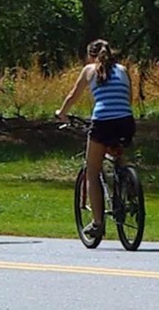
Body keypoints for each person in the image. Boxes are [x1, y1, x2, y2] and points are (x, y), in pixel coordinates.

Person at [56, 39, 136, 237]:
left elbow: (73, 96)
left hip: (102, 123)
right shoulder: (123, 70)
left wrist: (62, 113)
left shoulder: (88, 70)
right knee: (118, 154)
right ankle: (128, 188)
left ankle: (97, 223)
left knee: (92, 171)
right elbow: (129, 98)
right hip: (126, 121)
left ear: (90, 55)